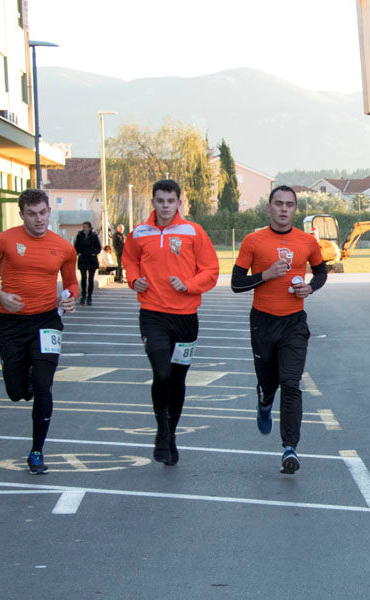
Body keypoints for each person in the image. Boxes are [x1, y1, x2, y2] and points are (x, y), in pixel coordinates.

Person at [122, 179, 219, 465]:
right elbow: (129, 261)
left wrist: (189, 285)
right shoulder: (139, 233)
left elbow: (211, 270)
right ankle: (162, 431)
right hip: (152, 314)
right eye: (160, 201)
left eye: (170, 201)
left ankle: (170, 434)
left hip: (186, 317)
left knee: (177, 379)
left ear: (179, 202)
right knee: (162, 373)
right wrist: (134, 279)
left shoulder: (193, 231)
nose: (165, 206)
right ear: (152, 201)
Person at [231, 185, 327, 475]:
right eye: (279, 203)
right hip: (263, 322)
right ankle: (264, 401)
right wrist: (266, 275)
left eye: (289, 204)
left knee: (291, 383)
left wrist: (310, 287)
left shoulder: (307, 241)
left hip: (294, 323)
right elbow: (236, 283)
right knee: (268, 382)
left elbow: (321, 272)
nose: (284, 209)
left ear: (295, 209)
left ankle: (290, 447)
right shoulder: (253, 241)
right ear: (269, 208)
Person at [0, 189, 78, 474]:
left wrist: (70, 298)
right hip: (11, 323)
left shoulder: (64, 248)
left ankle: (37, 451)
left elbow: (71, 283)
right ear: (22, 215)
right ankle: (26, 376)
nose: (39, 219)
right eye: (32, 214)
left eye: (43, 213)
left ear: (49, 211)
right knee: (16, 392)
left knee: (43, 386)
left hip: (47, 321)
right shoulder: (3, 240)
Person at [73, 221, 101, 305]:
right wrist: (78, 252)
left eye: (86, 227)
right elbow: (76, 247)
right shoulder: (79, 235)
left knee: (91, 279)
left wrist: (94, 253)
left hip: (91, 259)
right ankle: (83, 295)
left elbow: (99, 248)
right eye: (83, 227)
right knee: (83, 278)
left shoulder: (94, 236)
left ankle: (89, 297)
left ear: (89, 228)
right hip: (83, 259)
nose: (84, 228)